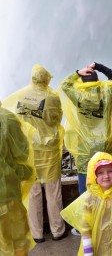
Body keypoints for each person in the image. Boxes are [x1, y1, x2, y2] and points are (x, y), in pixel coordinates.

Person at [2, 64, 67, 243]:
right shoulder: (52, 96)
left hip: (29, 151)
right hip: (49, 152)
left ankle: (37, 234)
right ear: (46, 78)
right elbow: (57, 118)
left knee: (33, 192)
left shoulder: (20, 95)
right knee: (53, 191)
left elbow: (10, 112)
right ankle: (57, 230)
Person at [58, 62, 112, 235]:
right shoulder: (107, 92)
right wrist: (97, 66)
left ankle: (85, 227)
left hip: (85, 153)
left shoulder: (78, 96)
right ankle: (109, 224)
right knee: (107, 188)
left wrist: (78, 72)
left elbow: (64, 85)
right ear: (98, 80)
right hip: (104, 151)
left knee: (85, 192)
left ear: (82, 82)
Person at [0, 102, 36, 256]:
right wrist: (24, 172)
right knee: (18, 242)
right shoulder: (8, 118)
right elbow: (22, 154)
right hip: (8, 193)